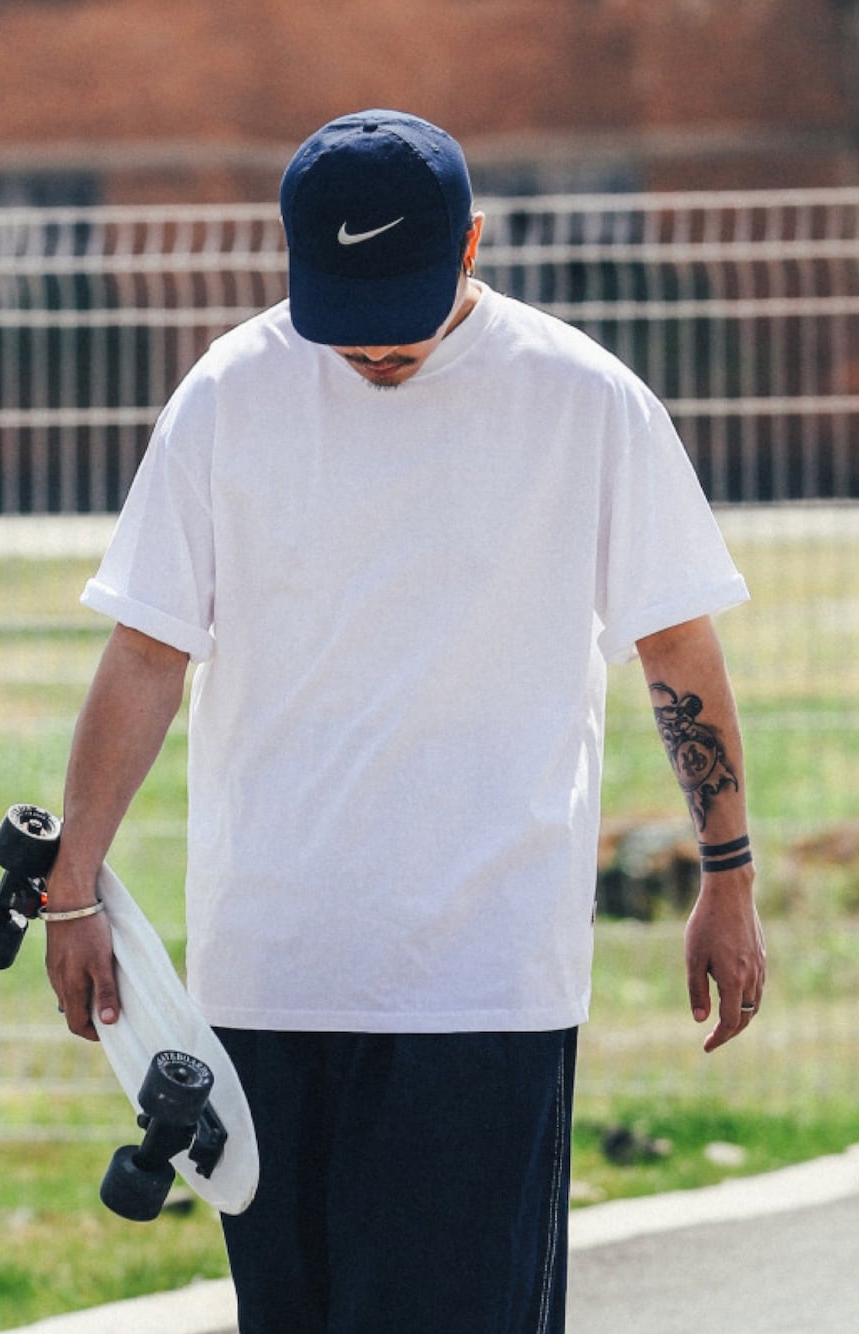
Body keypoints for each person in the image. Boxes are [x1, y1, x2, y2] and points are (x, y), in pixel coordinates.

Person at [44, 109, 766, 1333]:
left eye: (401, 316)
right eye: (347, 318)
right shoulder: (227, 393)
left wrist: (729, 873)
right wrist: (73, 885)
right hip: (271, 966)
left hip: (484, 978)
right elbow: (147, 649)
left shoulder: (585, 399)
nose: (375, 347)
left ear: (471, 244)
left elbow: (675, 643)